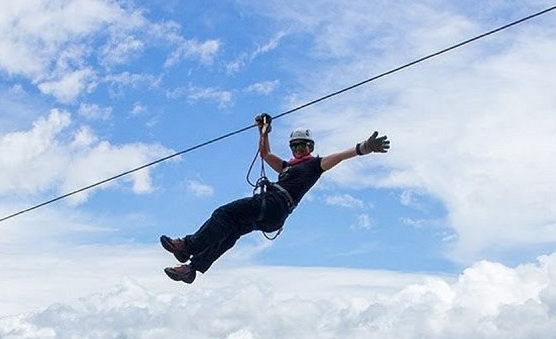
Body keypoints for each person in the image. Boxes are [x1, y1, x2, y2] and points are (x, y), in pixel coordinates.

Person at [160, 113, 389, 283]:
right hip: (273, 214)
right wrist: (263, 131)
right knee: (230, 232)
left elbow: (338, 157)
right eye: (294, 146)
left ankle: (187, 246)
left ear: (310, 146)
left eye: (302, 145)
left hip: (274, 204)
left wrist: (364, 147)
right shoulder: (286, 167)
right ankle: (192, 268)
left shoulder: (313, 165)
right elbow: (265, 154)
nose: (298, 149)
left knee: (223, 214)